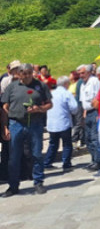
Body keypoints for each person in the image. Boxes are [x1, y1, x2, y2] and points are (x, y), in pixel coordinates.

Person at [1, 63, 53, 196]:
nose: (27, 75)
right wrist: (6, 126)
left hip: (35, 124)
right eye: (24, 73)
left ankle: (38, 182)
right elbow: (5, 106)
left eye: (29, 72)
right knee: (14, 156)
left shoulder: (40, 85)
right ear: (18, 74)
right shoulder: (12, 86)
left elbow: (49, 103)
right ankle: (13, 185)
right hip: (16, 124)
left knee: (36, 153)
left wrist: (39, 109)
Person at [43, 76, 79, 171]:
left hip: (52, 123)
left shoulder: (51, 93)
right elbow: (74, 108)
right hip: (64, 122)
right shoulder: (66, 93)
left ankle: (47, 162)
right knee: (67, 144)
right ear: (66, 84)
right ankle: (66, 163)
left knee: (53, 143)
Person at [78, 64, 100, 171]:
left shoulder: (94, 82)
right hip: (87, 112)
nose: (81, 75)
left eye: (83, 73)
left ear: (89, 72)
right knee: (87, 139)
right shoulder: (83, 84)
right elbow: (84, 101)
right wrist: (84, 115)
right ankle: (93, 160)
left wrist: (99, 113)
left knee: (94, 138)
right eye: (79, 74)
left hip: (95, 112)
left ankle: (98, 161)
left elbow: (99, 97)